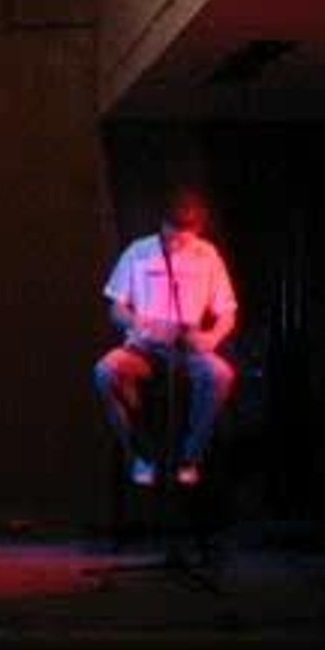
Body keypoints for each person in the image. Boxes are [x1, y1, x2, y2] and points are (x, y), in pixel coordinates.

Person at [94, 185, 237, 488]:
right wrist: (141, 323)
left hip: (188, 348)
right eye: (172, 233)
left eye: (185, 236)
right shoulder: (138, 251)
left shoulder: (208, 255)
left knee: (221, 374)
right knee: (106, 371)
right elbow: (115, 308)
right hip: (143, 348)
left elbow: (227, 311)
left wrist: (211, 337)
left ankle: (190, 457)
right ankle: (141, 455)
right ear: (162, 223)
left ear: (197, 228)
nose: (177, 242)